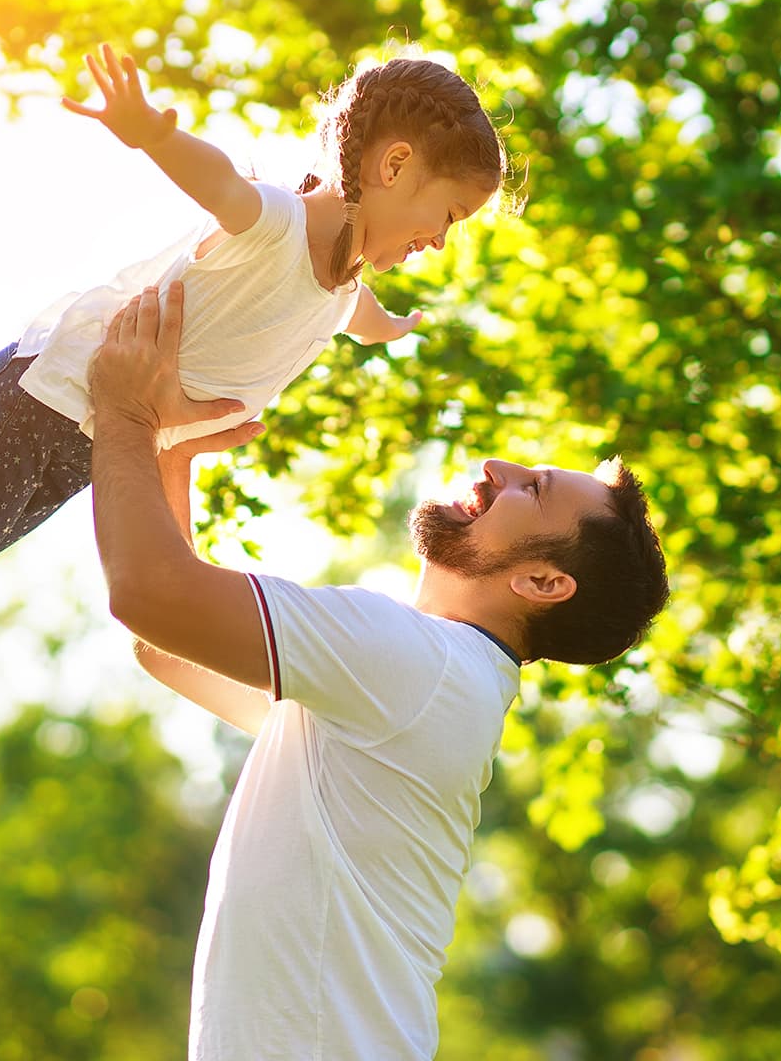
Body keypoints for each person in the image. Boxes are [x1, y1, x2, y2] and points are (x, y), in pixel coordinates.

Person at [0, 43, 510, 625]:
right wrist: (153, 133)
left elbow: (347, 315)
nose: (440, 239)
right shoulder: (278, 225)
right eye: (448, 214)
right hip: (46, 401)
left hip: (93, 443)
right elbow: (220, 183)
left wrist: (383, 327)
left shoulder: (343, 285)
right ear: (394, 165)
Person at [86, 282, 670, 1060]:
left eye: (533, 489)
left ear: (541, 583)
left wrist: (125, 411)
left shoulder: (414, 665)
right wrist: (169, 451)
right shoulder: (423, 688)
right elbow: (167, 642)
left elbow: (150, 598)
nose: (497, 465)